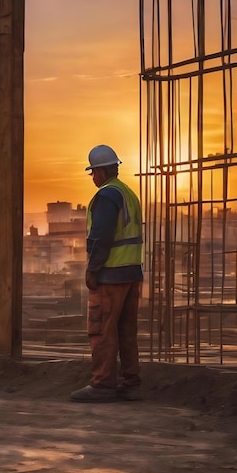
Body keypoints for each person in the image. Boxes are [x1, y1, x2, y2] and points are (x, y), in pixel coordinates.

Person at [70, 145, 144, 403]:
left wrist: (93, 269)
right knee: (126, 330)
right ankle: (131, 383)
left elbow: (101, 237)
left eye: (93, 172)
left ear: (101, 170)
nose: (93, 178)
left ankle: (102, 385)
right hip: (132, 273)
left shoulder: (106, 196)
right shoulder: (128, 194)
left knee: (101, 329)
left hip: (110, 275)